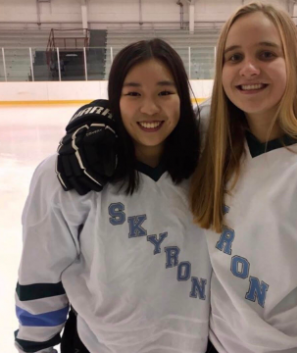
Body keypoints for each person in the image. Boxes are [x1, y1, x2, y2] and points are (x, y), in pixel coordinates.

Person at [53, 3, 297, 353]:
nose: (248, 68)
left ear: (293, 61)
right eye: (233, 57)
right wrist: (92, 118)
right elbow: (150, 114)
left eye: (266, 53)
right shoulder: (209, 132)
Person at [15, 39, 212, 353]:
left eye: (165, 92)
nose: (150, 108)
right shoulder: (70, 173)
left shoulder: (209, 164)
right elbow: (42, 266)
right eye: (133, 93)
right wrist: (36, 344)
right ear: (114, 99)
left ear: (183, 98)